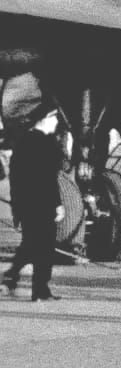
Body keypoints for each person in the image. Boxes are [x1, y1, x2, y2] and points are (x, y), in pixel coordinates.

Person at [2, 105, 65, 301]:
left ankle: (12, 276)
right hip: (44, 203)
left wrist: (16, 207)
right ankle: (39, 289)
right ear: (45, 118)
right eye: (54, 117)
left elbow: (15, 178)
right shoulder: (46, 144)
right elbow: (49, 178)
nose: (56, 122)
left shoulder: (22, 142)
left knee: (30, 243)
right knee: (45, 246)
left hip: (25, 204)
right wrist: (57, 204)